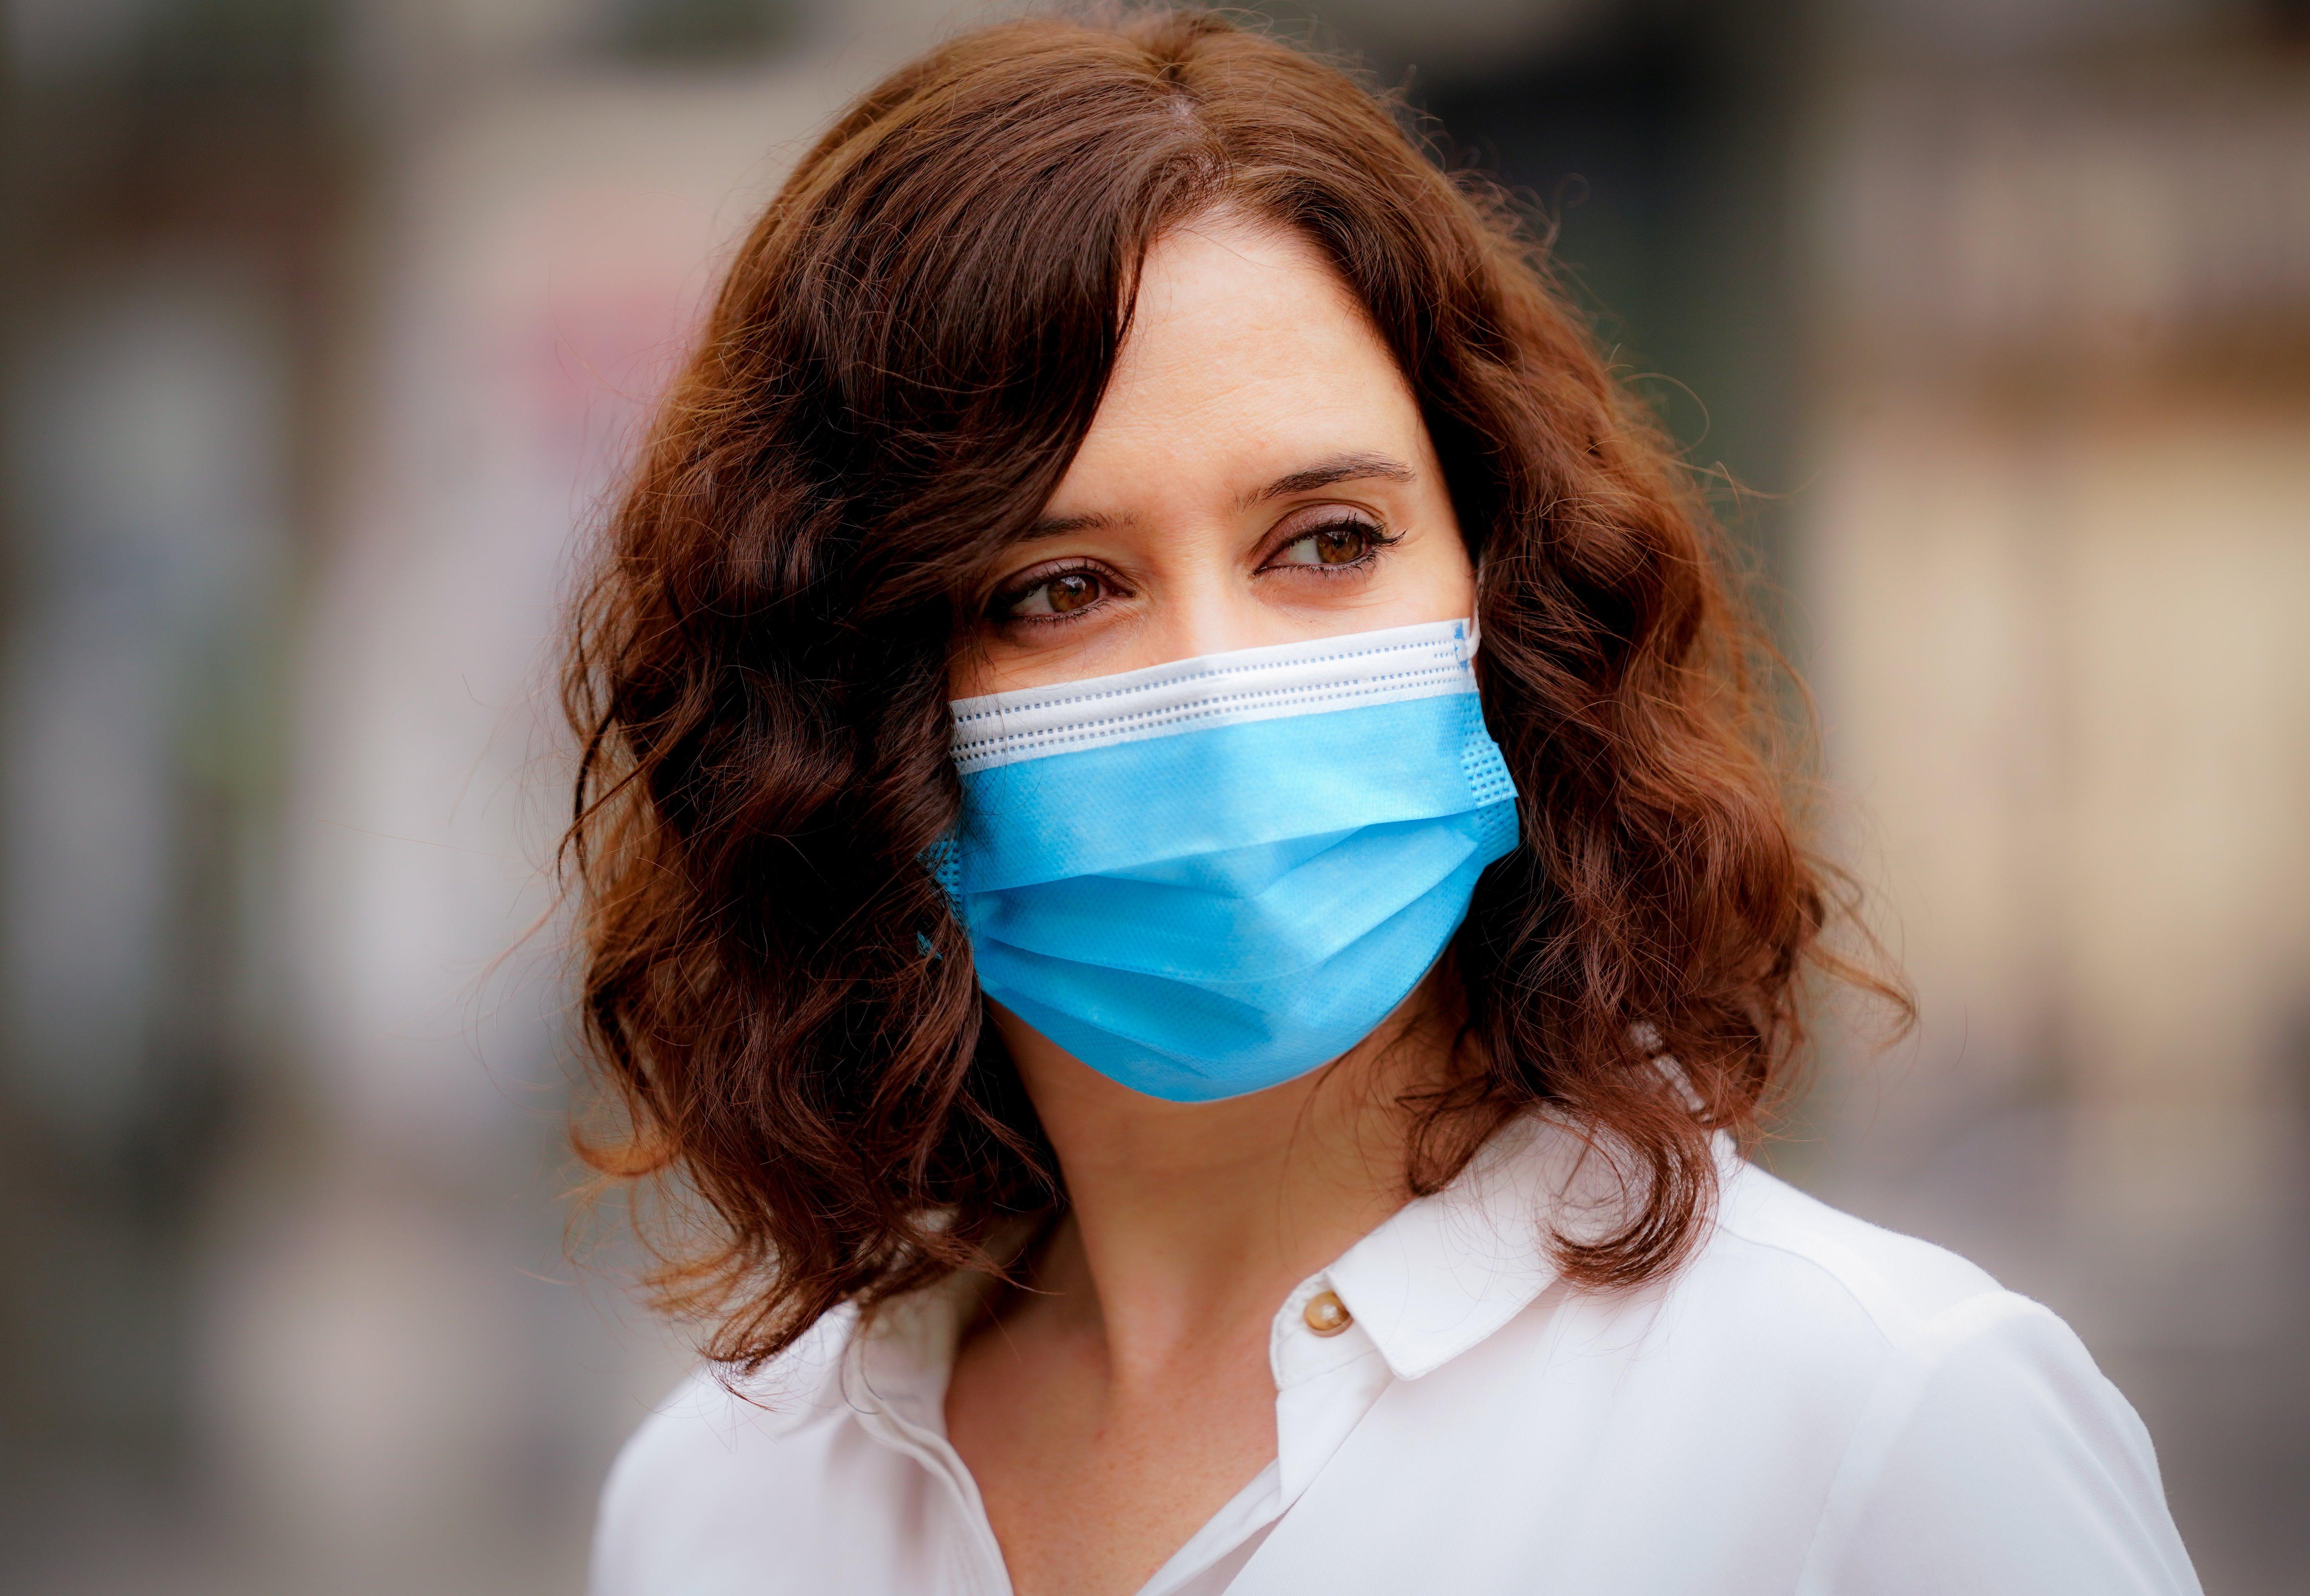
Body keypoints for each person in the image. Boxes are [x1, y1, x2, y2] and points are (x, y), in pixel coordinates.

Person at [563, 11, 2200, 1594]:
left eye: (1327, 542)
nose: (1213, 684)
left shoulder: (1876, 1425)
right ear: (843, 707)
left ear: (1499, 589)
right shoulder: (723, 1504)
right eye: (1058, 584)